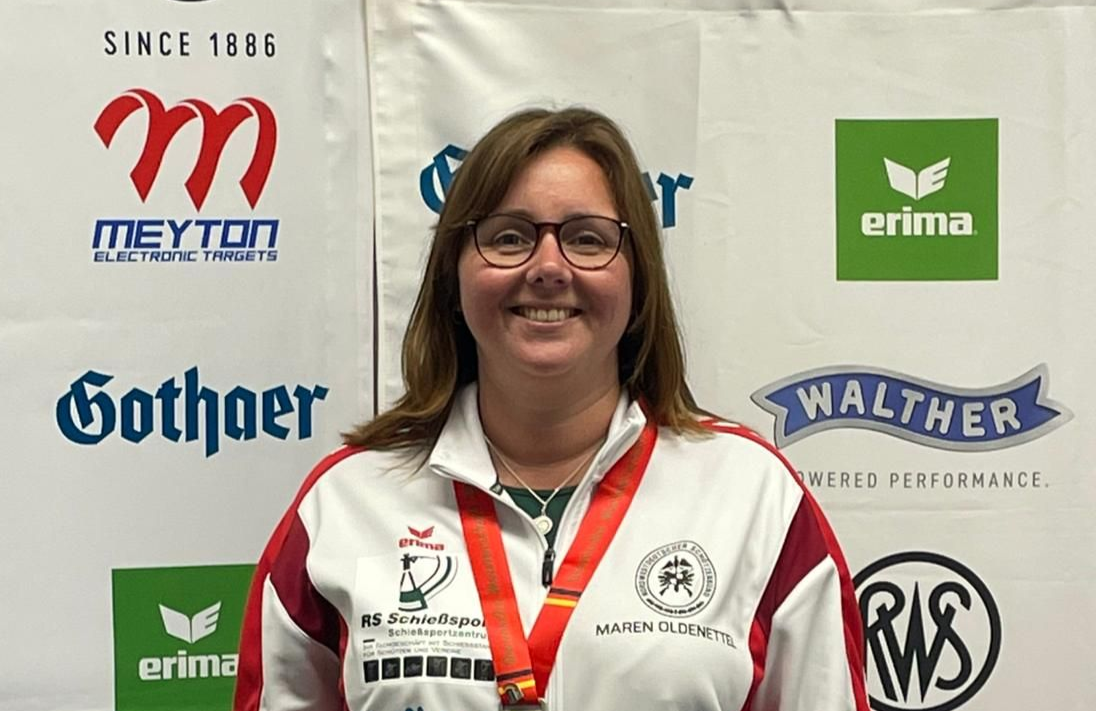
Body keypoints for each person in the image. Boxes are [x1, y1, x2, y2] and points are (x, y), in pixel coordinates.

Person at [234, 107, 869, 711]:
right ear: (454, 275)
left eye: (587, 240)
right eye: (508, 237)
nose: (547, 267)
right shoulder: (346, 501)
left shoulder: (752, 495)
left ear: (638, 279)